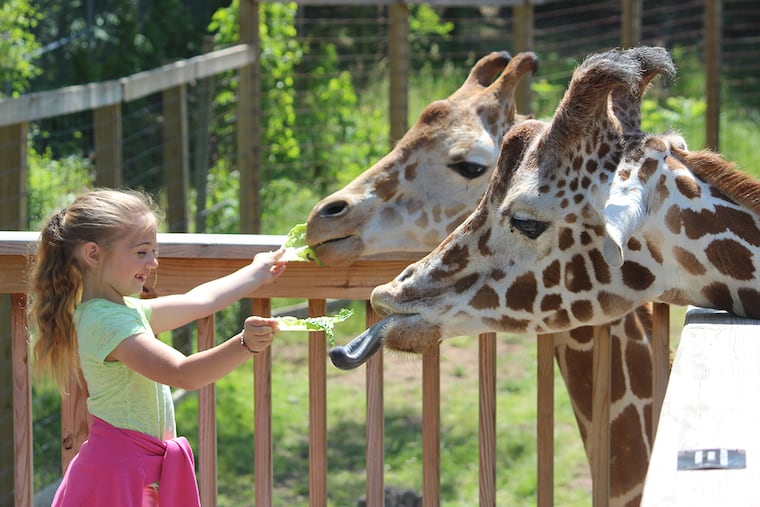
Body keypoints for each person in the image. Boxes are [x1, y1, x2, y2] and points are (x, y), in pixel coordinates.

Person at [28, 188, 287, 506]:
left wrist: (256, 272)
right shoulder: (106, 323)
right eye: (141, 252)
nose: (153, 262)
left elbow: (199, 301)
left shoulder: (122, 311)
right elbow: (182, 374)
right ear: (93, 254)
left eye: (153, 250)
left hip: (131, 472)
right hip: (117, 477)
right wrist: (245, 344)